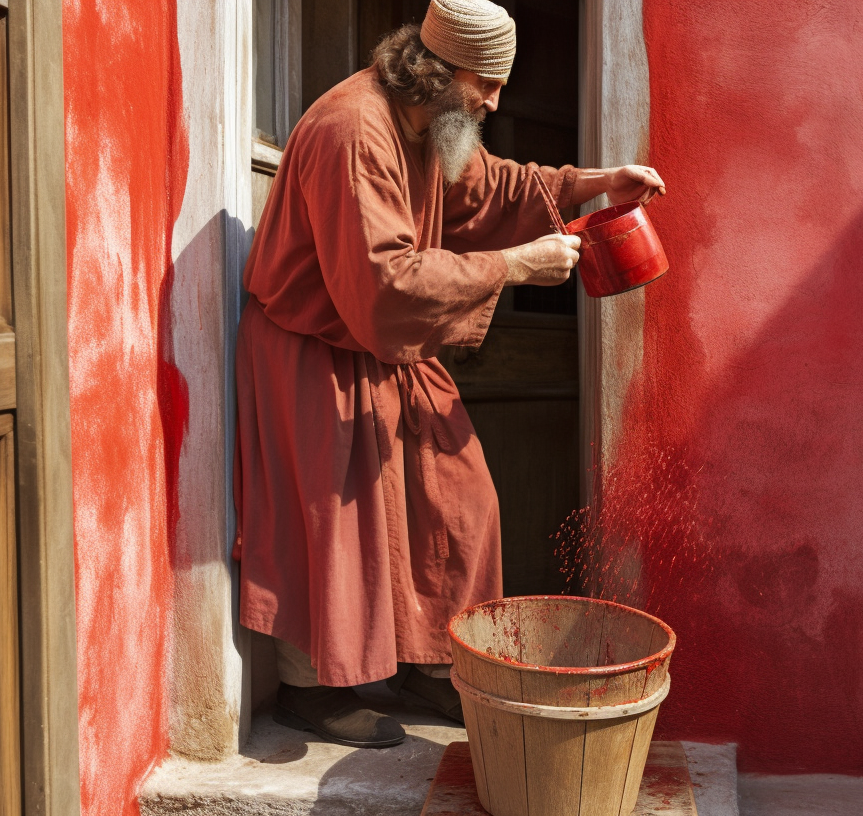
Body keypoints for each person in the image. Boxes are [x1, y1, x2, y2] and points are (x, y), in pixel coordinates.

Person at [233, 0, 667, 748]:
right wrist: (514, 266)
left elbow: (489, 186)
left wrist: (598, 182)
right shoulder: (352, 131)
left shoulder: (432, 121)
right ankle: (312, 692)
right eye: (488, 85)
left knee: (461, 502)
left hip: (385, 348)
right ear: (435, 69)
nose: (496, 102)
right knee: (330, 527)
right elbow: (385, 282)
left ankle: (428, 666)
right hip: (314, 352)